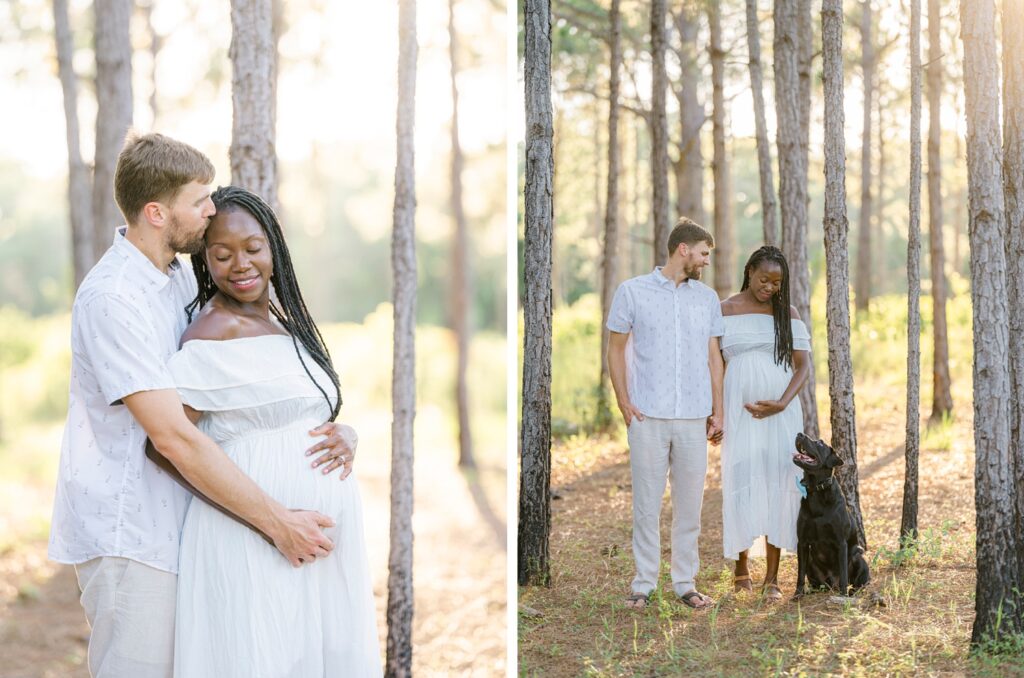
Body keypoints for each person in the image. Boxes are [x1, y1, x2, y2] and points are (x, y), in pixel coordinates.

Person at [48, 133, 357, 678]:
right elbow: (171, 437)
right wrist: (278, 523)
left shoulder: (168, 281)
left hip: (188, 527)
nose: (211, 210)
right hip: (132, 536)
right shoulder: (113, 298)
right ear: (157, 212)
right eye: (198, 201)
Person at [164, 185, 380, 676]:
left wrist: (346, 435)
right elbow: (169, 448)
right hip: (253, 540)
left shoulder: (286, 328)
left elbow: (301, 413)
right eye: (222, 255)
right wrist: (272, 522)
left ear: (274, 250)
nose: (240, 265)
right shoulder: (210, 333)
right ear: (206, 262)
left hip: (318, 545)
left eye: (253, 249)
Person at [606, 218, 725, 611]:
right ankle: (642, 585)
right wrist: (624, 402)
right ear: (683, 250)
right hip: (647, 417)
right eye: (704, 253)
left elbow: (713, 358)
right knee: (646, 505)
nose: (707, 261)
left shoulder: (706, 299)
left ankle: (685, 583)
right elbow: (616, 349)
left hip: (693, 417)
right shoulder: (632, 292)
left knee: (689, 506)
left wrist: (717, 411)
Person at [718, 245, 811, 602]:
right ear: (749, 270)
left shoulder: (786, 312)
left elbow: (802, 365)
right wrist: (717, 414)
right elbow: (716, 365)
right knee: (742, 476)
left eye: (777, 282)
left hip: (781, 411)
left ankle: (773, 576)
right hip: (740, 411)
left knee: (778, 479)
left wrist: (783, 402)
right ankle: (741, 566)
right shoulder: (724, 310)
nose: (769, 288)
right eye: (763, 279)